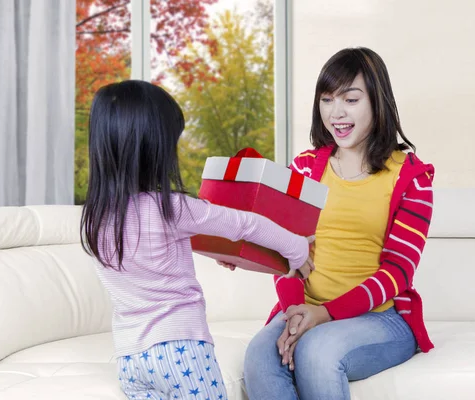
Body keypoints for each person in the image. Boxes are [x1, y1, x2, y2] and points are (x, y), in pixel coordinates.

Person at [80, 80, 314, 400]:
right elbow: (245, 224)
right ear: (154, 149)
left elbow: (154, 252)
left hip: (130, 357)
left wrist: (226, 254)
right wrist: (296, 248)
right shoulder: (170, 208)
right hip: (181, 352)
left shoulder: (96, 217)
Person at [241, 47, 435, 400]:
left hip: (380, 318)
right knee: (259, 355)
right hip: (303, 308)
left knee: (317, 351)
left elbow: (398, 273)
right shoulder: (304, 169)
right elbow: (283, 252)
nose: (337, 112)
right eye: (327, 99)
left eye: (351, 99)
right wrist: (296, 312)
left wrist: (325, 314)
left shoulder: (411, 177)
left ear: (377, 101)